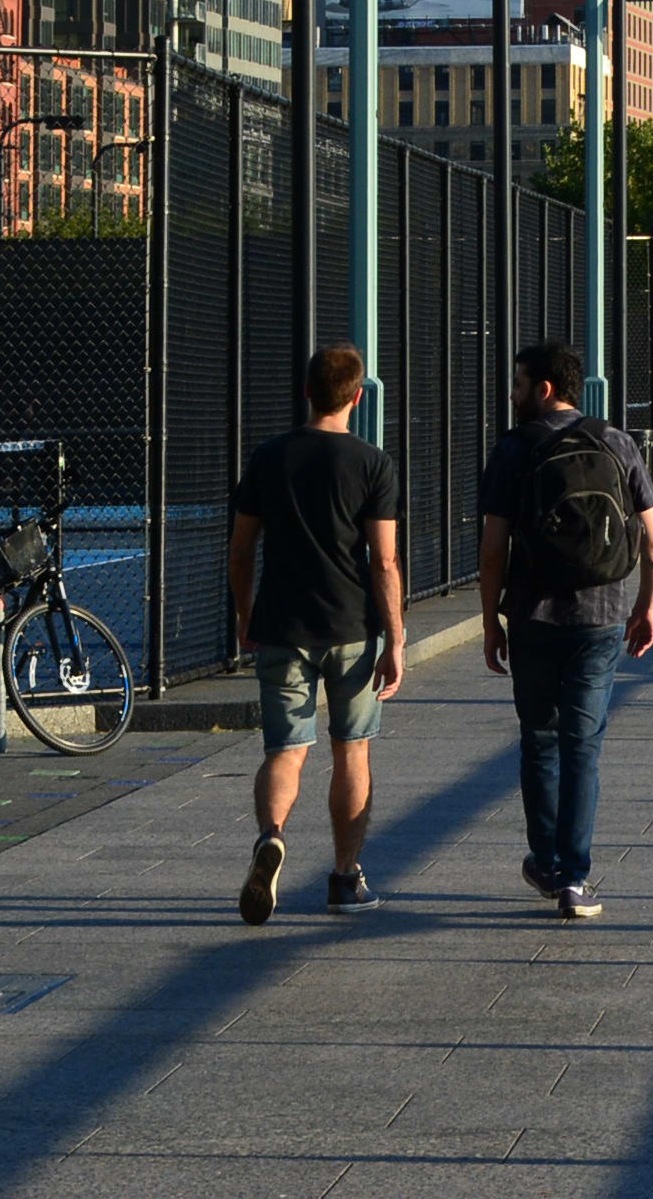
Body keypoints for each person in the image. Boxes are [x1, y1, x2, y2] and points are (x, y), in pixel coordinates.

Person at [477, 339, 653, 918]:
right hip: (603, 615)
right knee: (582, 745)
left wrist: (490, 622)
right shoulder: (616, 441)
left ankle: (546, 861)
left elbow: (492, 548)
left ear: (544, 389)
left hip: (534, 616)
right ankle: (575, 878)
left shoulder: (512, 449)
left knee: (539, 740)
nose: (511, 395)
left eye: (516, 384)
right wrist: (646, 606)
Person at [228, 341, 404, 922]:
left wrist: (244, 614)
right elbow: (383, 562)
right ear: (357, 397)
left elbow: (241, 547)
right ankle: (345, 878)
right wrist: (396, 638)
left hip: (281, 622)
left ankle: (271, 836)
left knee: (285, 750)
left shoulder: (268, 457)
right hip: (351, 627)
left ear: (306, 391)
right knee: (351, 751)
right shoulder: (373, 464)